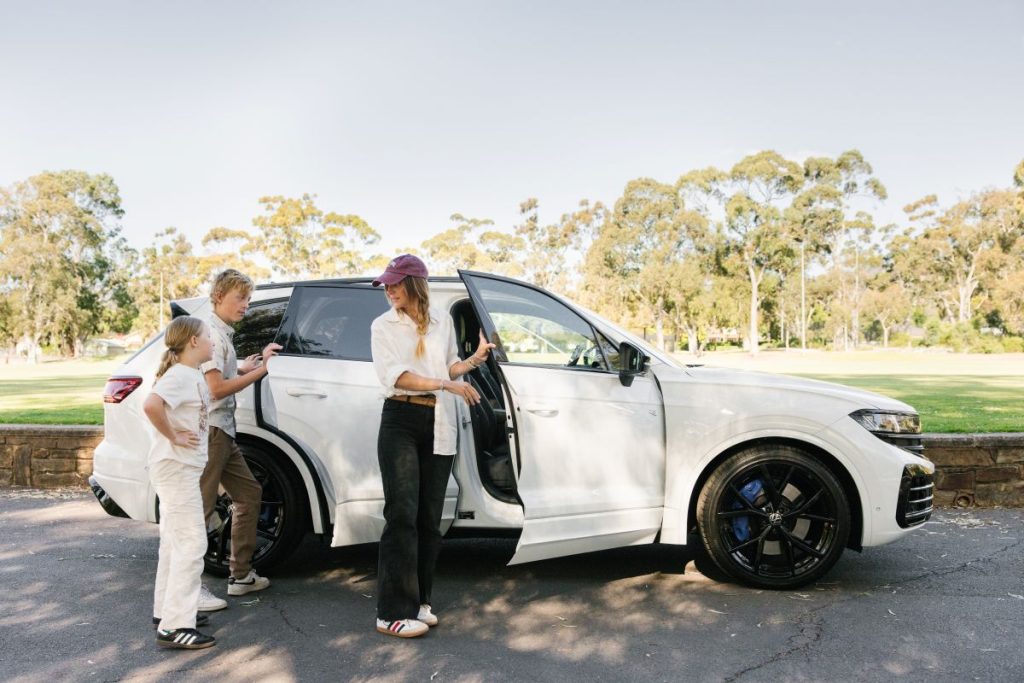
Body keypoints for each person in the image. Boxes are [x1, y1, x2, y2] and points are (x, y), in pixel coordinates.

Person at [369, 254, 495, 638]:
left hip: (439, 424)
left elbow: (449, 366)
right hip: (401, 421)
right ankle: (391, 612)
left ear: (414, 284)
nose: (388, 290)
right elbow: (399, 377)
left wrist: (474, 359)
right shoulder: (383, 325)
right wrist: (446, 384)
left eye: (395, 283)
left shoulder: (442, 321)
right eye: (387, 284)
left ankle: (420, 602)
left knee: (428, 520)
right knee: (401, 516)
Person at [199, 269, 282, 609]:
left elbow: (220, 376)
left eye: (248, 298)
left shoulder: (221, 334)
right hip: (211, 432)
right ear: (218, 296)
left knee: (249, 493)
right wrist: (262, 370)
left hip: (224, 431)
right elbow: (215, 389)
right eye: (239, 298)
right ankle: (189, 589)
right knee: (199, 511)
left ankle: (241, 575)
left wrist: (245, 368)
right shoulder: (210, 335)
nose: (245, 304)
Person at [142, 316, 217, 650]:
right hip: (176, 470)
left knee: (174, 543)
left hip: (181, 469)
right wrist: (172, 435)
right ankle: (175, 627)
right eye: (208, 337)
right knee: (191, 543)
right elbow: (150, 404)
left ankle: (167, 612)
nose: (213, 341)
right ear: (193, 342)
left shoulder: (190, 375)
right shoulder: (179, 376)